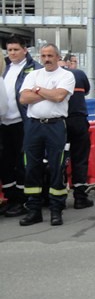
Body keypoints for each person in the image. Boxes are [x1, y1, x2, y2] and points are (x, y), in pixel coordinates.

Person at [18, 44, 75, 226]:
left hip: (55, 125)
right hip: (34, 125)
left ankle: (56, 209)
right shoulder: (33, 75)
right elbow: (23, 99)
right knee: (31, 167)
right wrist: (48, 93)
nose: (47, 59)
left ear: (57, 56)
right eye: (43, 55)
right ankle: (34, 210)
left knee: (56, 167)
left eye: (50, 55)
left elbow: (59, 97)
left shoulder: (66, 75)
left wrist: (37, 90)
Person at [1, 35, 42, 217]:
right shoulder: (4, 68)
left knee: (22, 163)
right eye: (9, 50)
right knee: (5, 162)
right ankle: (10, 198)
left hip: (22, 122)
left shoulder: (34, 69)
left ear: (25, 50)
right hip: (4, 122)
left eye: (16, 49)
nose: (12, 53)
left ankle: (22, 199)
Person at [64, 59, 94, 209]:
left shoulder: (48, 76)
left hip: (59, 122)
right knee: (80, 159)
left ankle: (58, 197)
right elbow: (87, 90)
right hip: (78, 120)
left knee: (58, 159)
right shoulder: (79, 74)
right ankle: (80, 197)